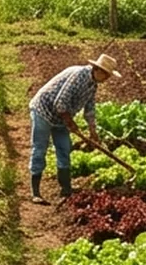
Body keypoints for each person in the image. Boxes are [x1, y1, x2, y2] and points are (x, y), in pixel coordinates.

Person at [28, 54, 122, 204]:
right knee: (40, 148)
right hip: (43, 110)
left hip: (61, 118)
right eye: (107, 75)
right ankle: (36, 192)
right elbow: (60, 103)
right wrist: (71, 123)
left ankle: (66, 188)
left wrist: (93, 132)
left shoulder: (93, 85)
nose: (107, 79)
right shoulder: (79, 76)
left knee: (64, 149)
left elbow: (89, 109)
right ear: (98, 70)